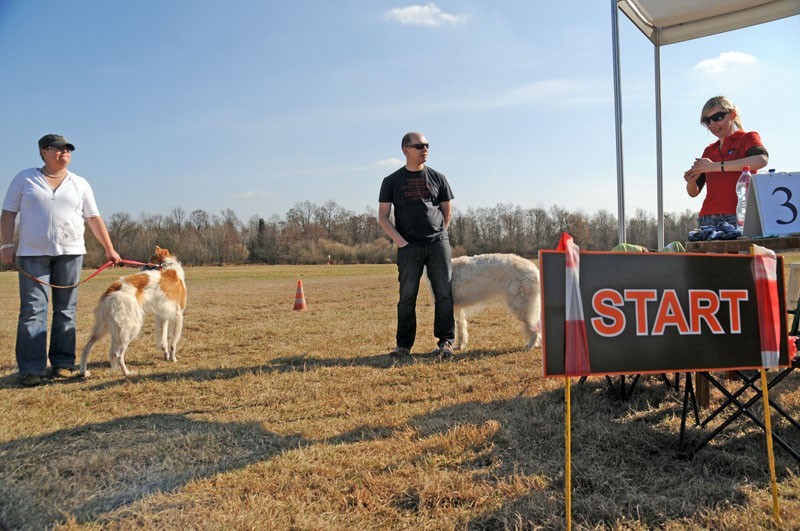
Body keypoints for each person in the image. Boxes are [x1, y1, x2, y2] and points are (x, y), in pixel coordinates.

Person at [1, 134, 121, 387]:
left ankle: (63, 365)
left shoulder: (80, 183)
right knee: (33, 310)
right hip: (32, 254)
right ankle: (32, 369)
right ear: (44, 151)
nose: (64, 153)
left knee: (66, 310)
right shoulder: (25, 179)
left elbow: (93, 218)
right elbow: (8, 213)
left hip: (71, 252)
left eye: (68, 149)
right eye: (58, 149)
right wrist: (7, 245)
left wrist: (109, 248)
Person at [378, 132, 456, 359]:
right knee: (407, 296)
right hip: (408, 247)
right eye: (419, 145)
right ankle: (403, 346)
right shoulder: (391, 181)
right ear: (405, 150)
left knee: (443, 294)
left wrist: (441, 233)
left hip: (437, 244)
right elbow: (383, 217)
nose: (425, 149)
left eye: (427, 145)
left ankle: (446, 343)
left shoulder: (438, 177)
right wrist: (401, 241)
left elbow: (446, 210)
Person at [683, 96, 769, 227]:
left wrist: (715, 166)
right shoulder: (709, 150)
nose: (712, 125)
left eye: (717, 117)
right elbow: (693, 192)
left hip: (739, 217)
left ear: (732, 114)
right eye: (707, 121)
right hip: (707, 219)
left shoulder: (747, 138)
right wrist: (691, 181)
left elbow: (761, 159)